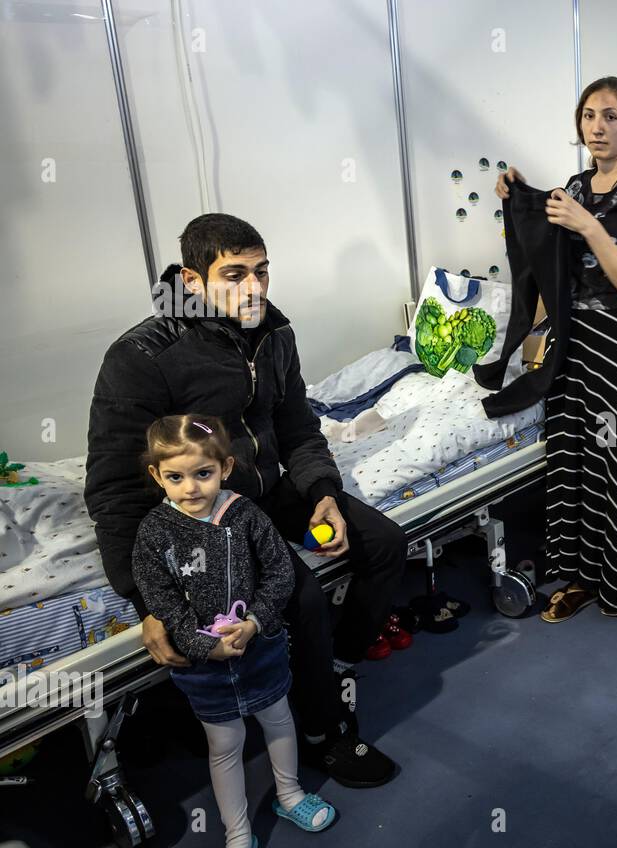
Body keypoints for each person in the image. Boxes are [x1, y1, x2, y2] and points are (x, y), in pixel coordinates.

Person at [85, 213, 397, 787]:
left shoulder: (275, 333)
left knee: (385, 545)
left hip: (271, 488)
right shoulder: (143, 356)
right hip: (203, 513)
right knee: (298, 598)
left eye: (261, 272)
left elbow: (298, 427)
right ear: (192, 280)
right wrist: (145, 604)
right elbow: (114, 488)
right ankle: (323, 730)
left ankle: (332, 661)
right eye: (234, 274)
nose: (253, 288)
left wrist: (323, 493)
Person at [495, 77, 617, 622]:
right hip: (570, 341)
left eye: (611, 116)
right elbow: (548, 257)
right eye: (589, 115)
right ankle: (577, 578)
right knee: (571, 459)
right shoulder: (574, 184)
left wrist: (589, 225)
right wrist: (520, 198)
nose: (597, 127)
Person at [132, 415, 336, 848]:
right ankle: (238, 835)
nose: (190, 489)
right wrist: (201, 644)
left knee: (279, 720)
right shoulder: (154, 533)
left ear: (224, 468)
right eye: (176, 477)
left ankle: (290, 793)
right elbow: (160, 597)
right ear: (156, 476)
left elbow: (280, 572)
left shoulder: (245, 514)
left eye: (202, 474)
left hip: (259, 649)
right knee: (224, 747)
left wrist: (256, 622)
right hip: (204, 666)